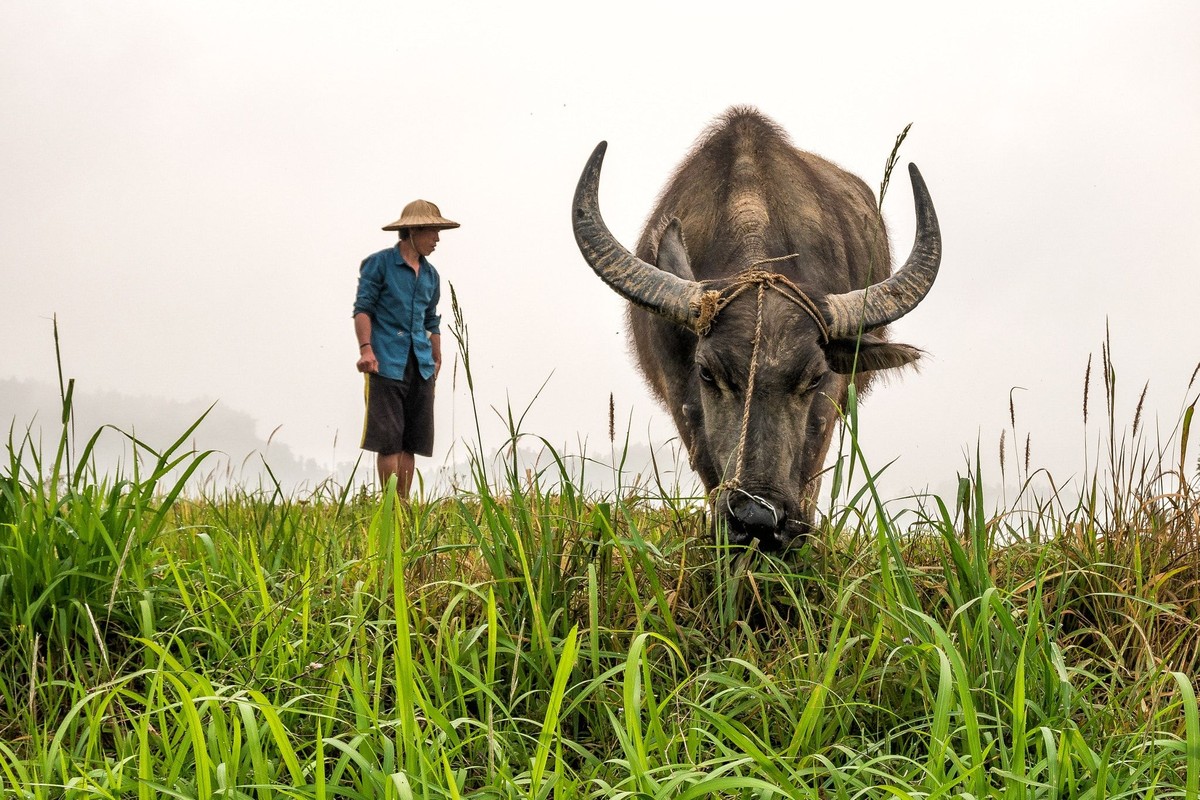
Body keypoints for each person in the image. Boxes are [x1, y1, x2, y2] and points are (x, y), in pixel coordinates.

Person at [353, 199, 459, 497]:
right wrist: (366, 350)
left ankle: (404, 504)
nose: (437, 239)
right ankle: (390, 508)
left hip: (420, 364)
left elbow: (431, 319)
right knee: (389, 439)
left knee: (411, 440)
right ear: (413, 231)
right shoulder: (380, 264)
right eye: (432, 232)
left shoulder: (430, 275)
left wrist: (437, 357)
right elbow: (363, 308)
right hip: (386, 360)